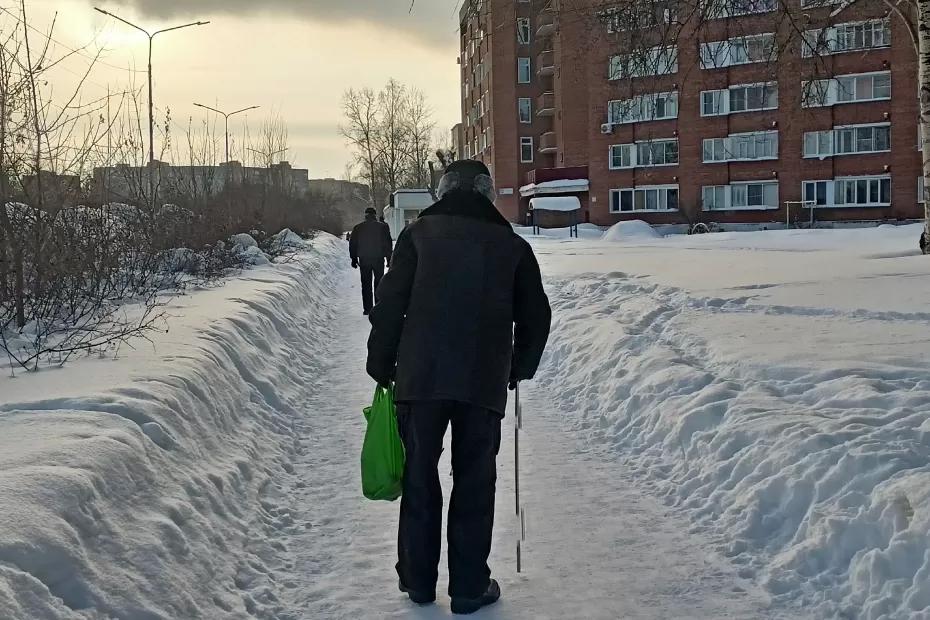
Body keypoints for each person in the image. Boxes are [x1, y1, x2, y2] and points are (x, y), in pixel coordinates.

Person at [366, 160, 551, 615]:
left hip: (419, 376)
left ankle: (418, 581)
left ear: (443, 191)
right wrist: (518, 367)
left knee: (419, 477)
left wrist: (380, 362)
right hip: (481, 377)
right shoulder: (511, 245)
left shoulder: (418, 236)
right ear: (488, 194)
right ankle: (469, 587)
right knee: (475, 479)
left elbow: (391, 300)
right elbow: (536, 317)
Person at [350, 207, 393, 315]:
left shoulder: (358, 228)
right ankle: (378, 307)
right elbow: (387, 244)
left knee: (366, 284)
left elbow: (353, 244)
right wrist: (389, 258)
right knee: (379, 283)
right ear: (374, 215)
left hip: (364, 259)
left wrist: (354, 259)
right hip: (378, 259)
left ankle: (367, 309)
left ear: (365, 215)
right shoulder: (383, 227)